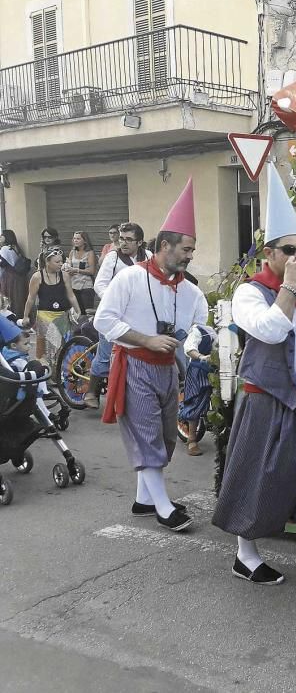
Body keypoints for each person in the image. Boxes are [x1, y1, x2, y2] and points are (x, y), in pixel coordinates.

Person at [212, 164, 296, 585]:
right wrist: (288, 287)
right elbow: (267, 330)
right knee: (260, 477)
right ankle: (245, 554)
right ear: (269, 254)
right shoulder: (250, 292)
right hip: (269, 401)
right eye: (290, 251)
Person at [94, 178, 207, 532]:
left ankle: (144, 498)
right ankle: (162, 507)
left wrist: (198, 343)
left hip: (168, 371)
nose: (191, 255)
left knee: (165, 437)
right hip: (135, 366)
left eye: (192, 249)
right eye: (186, 249)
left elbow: (200, 327)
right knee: (146, 435)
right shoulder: (128, 279)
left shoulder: (190, 291)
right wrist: (146, 340)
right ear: (163, 246)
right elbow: (103, 320)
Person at [88, 223, 149, 409]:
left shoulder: (148, 257)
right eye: (121, 238)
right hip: (113, 313)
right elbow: (100, 284)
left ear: (139, 242)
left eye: (128, 239)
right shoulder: (112, 258)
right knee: (106, 354)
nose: (123, 243)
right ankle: (92, 390)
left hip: (138, 315)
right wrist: (115, 302)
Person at [22, 247, 81, 362]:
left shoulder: (64, 275)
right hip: (45, 315)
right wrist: (25, 315)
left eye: (61, 261)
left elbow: (71, 295)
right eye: (57, 262)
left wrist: (78, 310)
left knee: (63, 346)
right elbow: (31, 298)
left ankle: (60, 372)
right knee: (46, 347)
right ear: (47, 262)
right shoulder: (37, 276)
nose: (61, 264)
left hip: (62, 315)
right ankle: (45, 370)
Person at [177, 323, 215, 456]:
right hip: (199, 370)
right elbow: (189, 348)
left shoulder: (226, 328)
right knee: (196, 401)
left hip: (217, 370)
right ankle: (192, 440)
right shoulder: (198, 330)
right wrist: (201, 357)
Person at [65, 231, 98, 312]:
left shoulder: (90, 253)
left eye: (78, 239)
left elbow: (92, 271)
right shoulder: (72, 252)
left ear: (85, 240)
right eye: (74, 238)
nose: (75, 240)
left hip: (86, 286)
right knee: (76, 311)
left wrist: (76, 270)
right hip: (74, 285)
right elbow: (69, 265)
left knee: (87, 311)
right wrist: (67, 269)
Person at [0, 230, 30, 319]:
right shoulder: (15, 247)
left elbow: (3, 264)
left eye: (2, 235)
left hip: (9, 276)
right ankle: (20, 318)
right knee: (18, 297)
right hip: (19, 277)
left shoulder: (5, 249)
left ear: (7, 237)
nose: (0, 237)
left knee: (9, 297)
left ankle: (10, 318)